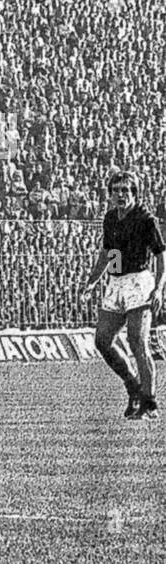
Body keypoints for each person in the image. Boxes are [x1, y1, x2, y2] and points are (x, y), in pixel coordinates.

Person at [83, 169, 166, 420]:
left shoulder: (145, 219)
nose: (121, 195)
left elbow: (161, 256)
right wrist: (91, 282)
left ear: (134, 193)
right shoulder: (110, 219)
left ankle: (149, 402)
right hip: (117, 282)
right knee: (102, 339)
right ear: (110, 194)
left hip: (139, 283)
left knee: (137, 341)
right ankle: (133, 386)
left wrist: (159, 288)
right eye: (116, 190)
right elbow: (108, 254)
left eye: (126, 190)